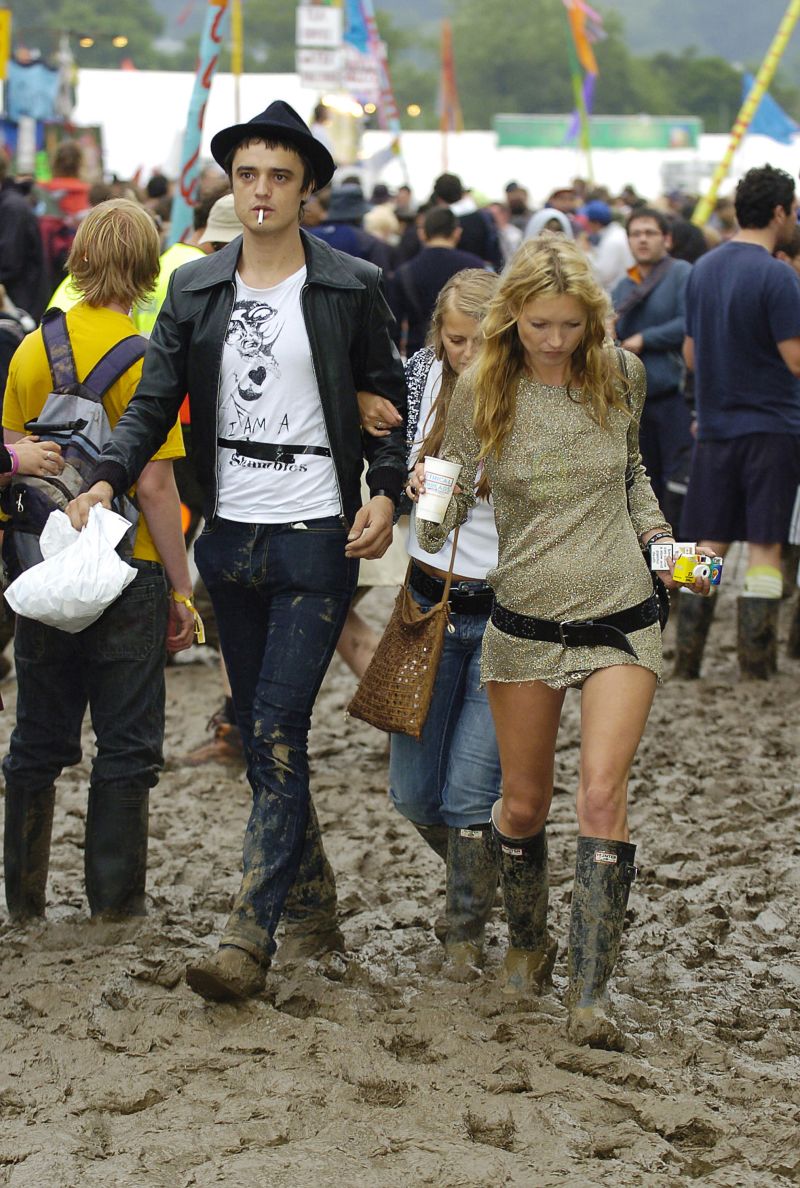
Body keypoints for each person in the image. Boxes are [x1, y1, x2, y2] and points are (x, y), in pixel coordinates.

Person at [66, 100, 407, 1001]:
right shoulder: (195, 287)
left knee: (277, 731)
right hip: (229, 538)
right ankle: (315, 908)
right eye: (248, 174)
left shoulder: (350, 283)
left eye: (280, 177)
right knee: (263, 745)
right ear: (232, 182)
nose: (261, 191)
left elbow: (388, 404)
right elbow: (153, 402)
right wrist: (105, 475)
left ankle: (245, 937)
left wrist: (385, 490)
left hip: (314, 534)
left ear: (308, 191)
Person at [416, 234, 710, 1049]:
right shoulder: (484, 386)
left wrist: (664, 548)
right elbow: (440, 505)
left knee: (601, 795)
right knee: (521, 802)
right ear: (514, 320)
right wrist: (431, 496)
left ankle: (590, 994)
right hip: (525, 618)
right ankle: (528, 940)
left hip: (622, 610)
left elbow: (633, 477)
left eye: (571, 325)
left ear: (593, 319)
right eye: (541, 325)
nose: (555, 341)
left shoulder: (620, 374)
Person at [2, 198, 195, 925]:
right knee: (126, 745)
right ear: (147, 271)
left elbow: (13, 463)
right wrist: (181, 589)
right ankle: (113, 907)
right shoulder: (146, 360)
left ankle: (23, 902)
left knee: (37, 741)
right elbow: (154, 484)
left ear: (78, 259)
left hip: (42, 567)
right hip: (126, 571)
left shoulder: (30, 349)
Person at [391, 269, 501, 981]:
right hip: (423, 603)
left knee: (468, 796)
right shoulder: (421, 374)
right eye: (455, 340)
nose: (465, 354)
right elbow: (388, 450)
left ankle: (464, 929)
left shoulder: (537, 392)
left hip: (504, 611)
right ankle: (508, 874)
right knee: (412, 793)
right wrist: (400, 477)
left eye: (480, 342)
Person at [678, 165, 800, 680]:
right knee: (766, 544)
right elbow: (796, 360)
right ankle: (756, 663)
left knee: (707, 543)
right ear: (778, 212)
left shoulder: (702, 268)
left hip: (714, 426)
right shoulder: (779, 275)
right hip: (773, 427)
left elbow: (689, 356)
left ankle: (685, 658)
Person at [612, 207, 693, 528]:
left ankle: (677, 562)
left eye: (650, 233)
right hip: (634, 404)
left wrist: (645, 339)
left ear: (667, 239)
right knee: (645, 486)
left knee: (677, 486)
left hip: (672, 397)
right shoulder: (622, 285)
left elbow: (689, 324)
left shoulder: (681, 274)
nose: (642, 240)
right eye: (635, 234)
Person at [390, 207, 486, 356]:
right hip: (468, 353)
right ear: (456, 233)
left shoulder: (404, 273)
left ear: (422, 234)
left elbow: (393, 328)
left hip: (419, 352)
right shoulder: (476, 267)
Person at [582, 200, 634, 291]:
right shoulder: (615, 233)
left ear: (596, 223)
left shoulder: (612, 241)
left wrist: (587, 252)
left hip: (618, 294)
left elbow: (602, 276)